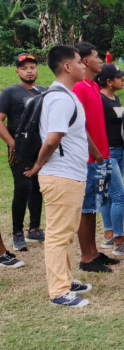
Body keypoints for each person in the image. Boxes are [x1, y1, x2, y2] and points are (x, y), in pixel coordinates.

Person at [24, 45, 97, 307]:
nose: (83, 65)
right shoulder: (60, 99)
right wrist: (38, 164)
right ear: (67, 67)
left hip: (69, 174)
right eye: (79, 61)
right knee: (58, 234)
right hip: (61, 175)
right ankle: (58, 291)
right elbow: (53, 139)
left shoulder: (65, 95)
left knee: (65, 232)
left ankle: (65, 279)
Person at [73, 42, 119, 273]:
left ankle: (93, 251)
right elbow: (78, 125)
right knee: (86, 208)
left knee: (94, 207)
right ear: (84, 61)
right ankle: (86, 256)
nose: (100, 60)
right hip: (90, 158)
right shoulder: (79, 87)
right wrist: (94, 152)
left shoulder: (92, 85)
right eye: (96, 56)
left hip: (102, 155)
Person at [0, 53, 46, 251]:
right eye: (24, 68)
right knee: (22, 188)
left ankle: (34, 229)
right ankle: (17, 233)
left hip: (40, 148)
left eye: (32, 67)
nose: (29, 71)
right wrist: (12, 143)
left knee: (38, 187)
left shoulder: (43, 92)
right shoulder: (10, 92)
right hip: (20, 149)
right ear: (17, 71)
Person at [96, 64, 124, 256]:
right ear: (109, 81)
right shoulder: (99, 100)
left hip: (119, 152)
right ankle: (119, 242)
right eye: (119, 77)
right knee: (119, 195)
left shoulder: (115, 99)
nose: (123, 80)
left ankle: (109, 235)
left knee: (108, 194)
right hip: (107, 154)